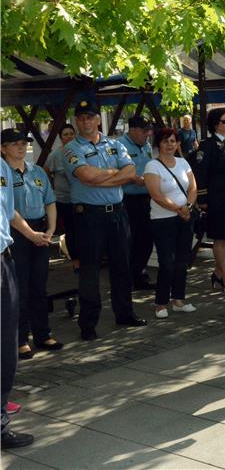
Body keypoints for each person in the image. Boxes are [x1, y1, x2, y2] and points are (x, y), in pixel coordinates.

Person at [64, 101, 147, 340]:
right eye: (80, 118)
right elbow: (86, 175)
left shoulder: (114, 143)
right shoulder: (71, 148)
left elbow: (131, 172)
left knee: (122, 265)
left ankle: (125, 313)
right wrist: (117, 175)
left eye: (90, 117)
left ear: (98, 120)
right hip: (89, 216)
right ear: (76, 121)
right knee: (90, 270)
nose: (85, 122)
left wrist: (106, 177)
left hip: (117, 213)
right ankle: (88, 323)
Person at [2, 130, 62, 359]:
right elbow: (8, 211)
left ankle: (42, 333)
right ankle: (20, 339)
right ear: (3, 148)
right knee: (20, 288)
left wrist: (50, 230)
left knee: (39, 285)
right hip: (16, 233)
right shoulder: (3, 174)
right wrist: (31, 234)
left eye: (23, 143)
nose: (20, 147)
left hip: (40, 232)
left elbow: (50, 201)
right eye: (14, 144)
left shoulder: (36, 171)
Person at [1, 157, 45, 450]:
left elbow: (7, 208)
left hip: (3, 259)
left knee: (6, 345)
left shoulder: (1, 166)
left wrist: (29, 233)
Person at [143, 128, 198, 319]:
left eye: (173, 141)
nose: (169, 145)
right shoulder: (152, 166)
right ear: (159, 144)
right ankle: (160, 303)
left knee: (182, 261)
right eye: (166, 141)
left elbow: (193, 187)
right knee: (167, 262)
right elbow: (156, 195)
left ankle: (179, 300)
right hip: (162, 220)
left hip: (185, 218)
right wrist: (178, 209)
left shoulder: (183, 163)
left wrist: (188, 207)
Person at [193, 108, 225, 295]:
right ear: (215, 125)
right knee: (220, 237)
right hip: (216, 198)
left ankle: (218, 273)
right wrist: (202, 199)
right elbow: (200, 173)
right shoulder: (207, 146)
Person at [119, 115, 155, 291]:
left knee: (146, 239)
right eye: (143, 130)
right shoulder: (120, 146)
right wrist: (133, 178)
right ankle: (129, 278)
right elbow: (114, 170)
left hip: (146, 198)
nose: (147, 134)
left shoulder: (146, 145)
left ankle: (139, 274)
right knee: (130, 241)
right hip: (128, 199)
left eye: (148, 130)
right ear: (132, 130)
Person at [44, 124, 79, 273]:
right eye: (65, 134)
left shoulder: (80, 152)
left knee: (84, 230)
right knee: (72, 231)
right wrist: (53, 187)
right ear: (60, 137)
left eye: (71, 133)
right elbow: (46, 171)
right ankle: (76, 260)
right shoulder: (55, 155)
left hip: (81, 199)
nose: (69, 136)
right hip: (64, 200)